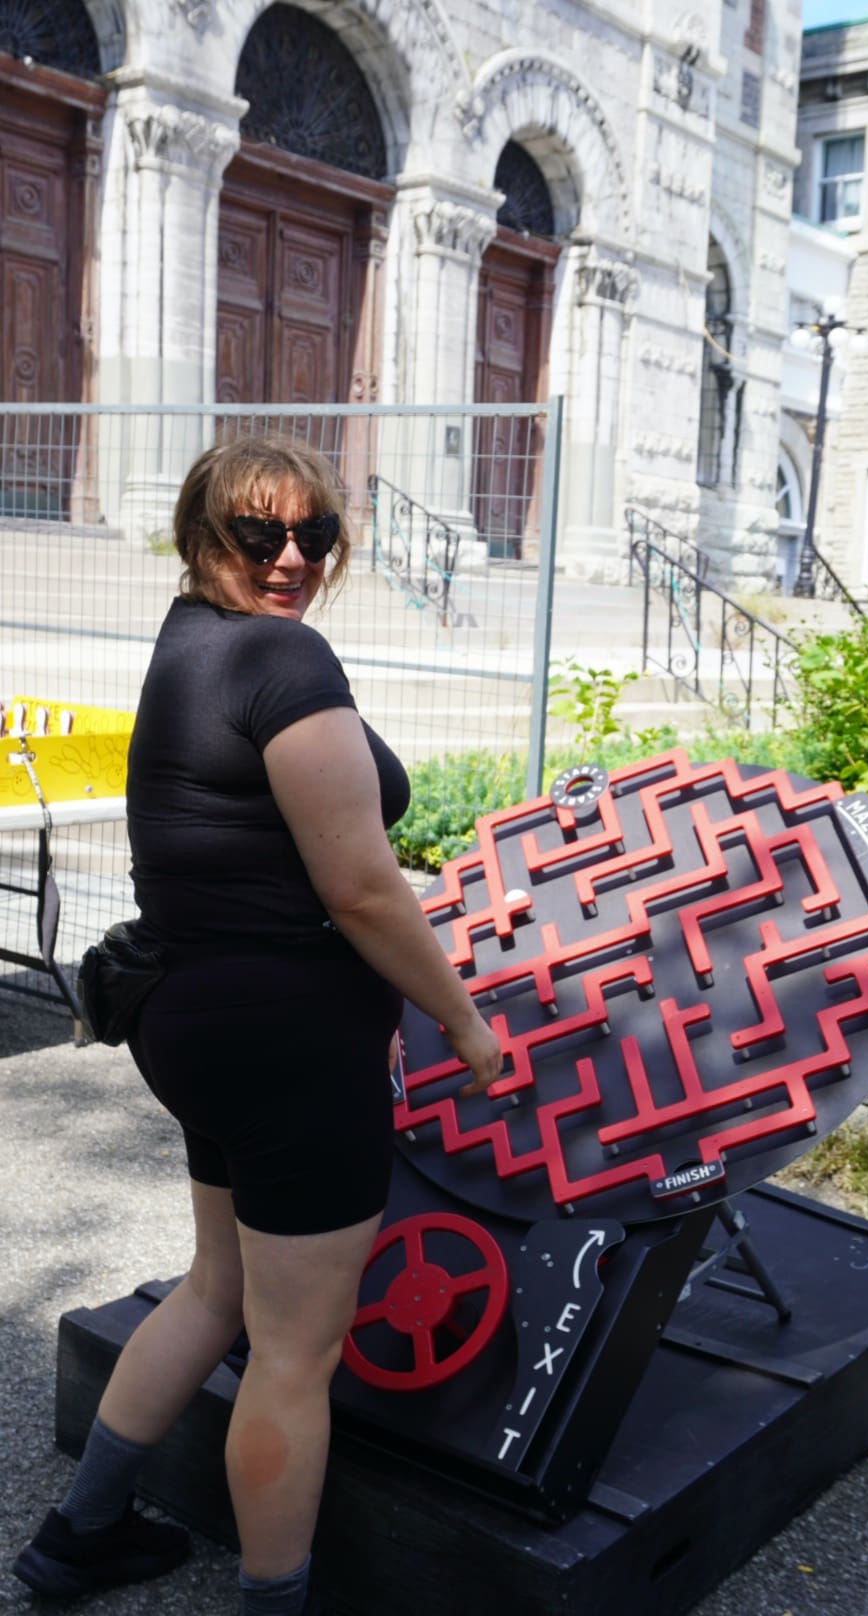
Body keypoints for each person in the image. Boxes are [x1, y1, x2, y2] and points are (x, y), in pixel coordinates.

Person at [12, 436, 503, 1616]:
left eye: (314, 534)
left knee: (218, 1285)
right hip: (287, 1043)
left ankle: (78, 1535)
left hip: (198, 1020)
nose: (291, 558)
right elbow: (363, 888)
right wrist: (463, 1022)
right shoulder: (282, 656)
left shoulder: (191, 639)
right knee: (294, 1353)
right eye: (259, 533)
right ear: (199, 535)